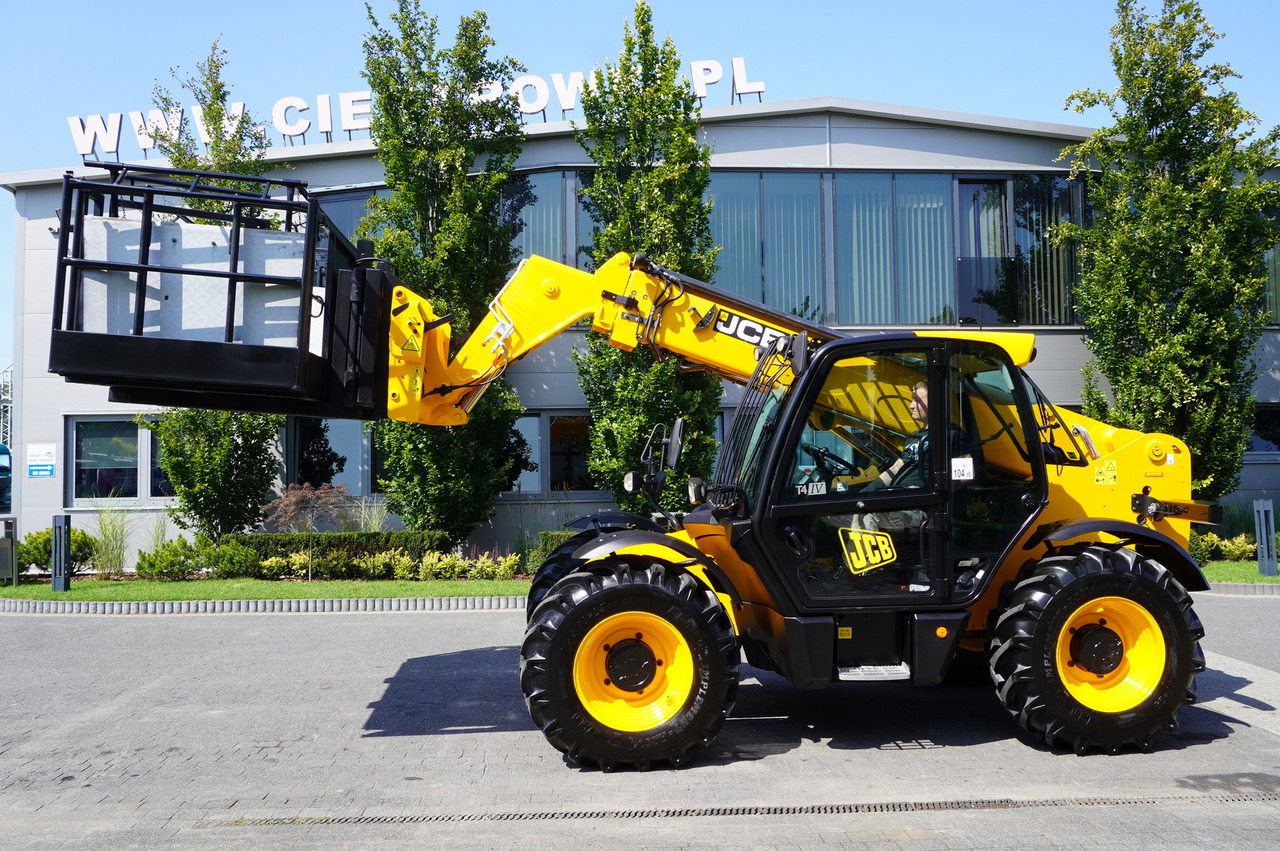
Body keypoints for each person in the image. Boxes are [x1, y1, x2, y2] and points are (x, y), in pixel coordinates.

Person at [853, 381, 971, 533]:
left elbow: (965, 476)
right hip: (895, 498)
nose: (911, 405)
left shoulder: (953, 435)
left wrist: (926, 490)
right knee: (834, 512)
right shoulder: (914, 436)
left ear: (935, 401)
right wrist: (865, 492)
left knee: (868, 512)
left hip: (921, 507)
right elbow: (896, 468)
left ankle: (865, 549)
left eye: (916, 400)